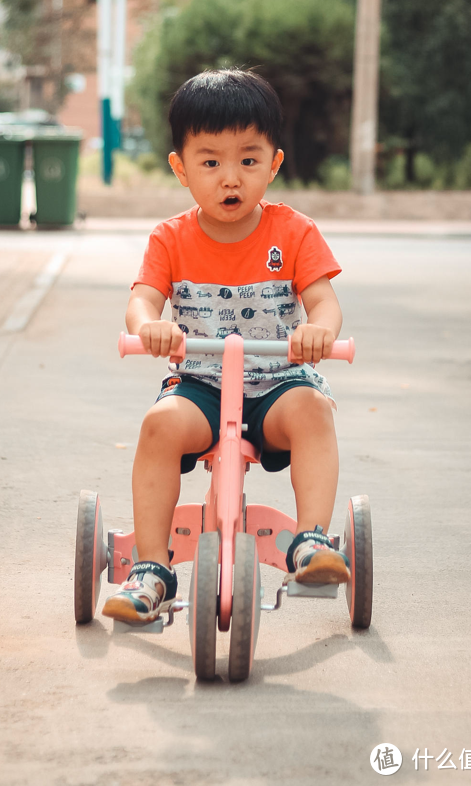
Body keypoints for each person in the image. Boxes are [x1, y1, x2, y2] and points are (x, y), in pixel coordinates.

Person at [102, 69, 351, 625]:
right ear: (181, 169)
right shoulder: (170, 238)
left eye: (248, 159)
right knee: (159, 425)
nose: (230, 178)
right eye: (210, 161)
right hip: (201, 384)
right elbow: (142, 301)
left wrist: (319, 331)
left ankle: (309, 541)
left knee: (314, 409)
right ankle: (151, 569)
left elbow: (325, 302)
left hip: (277, 384)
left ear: (274, 164)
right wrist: (150, 326)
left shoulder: (294, 233)